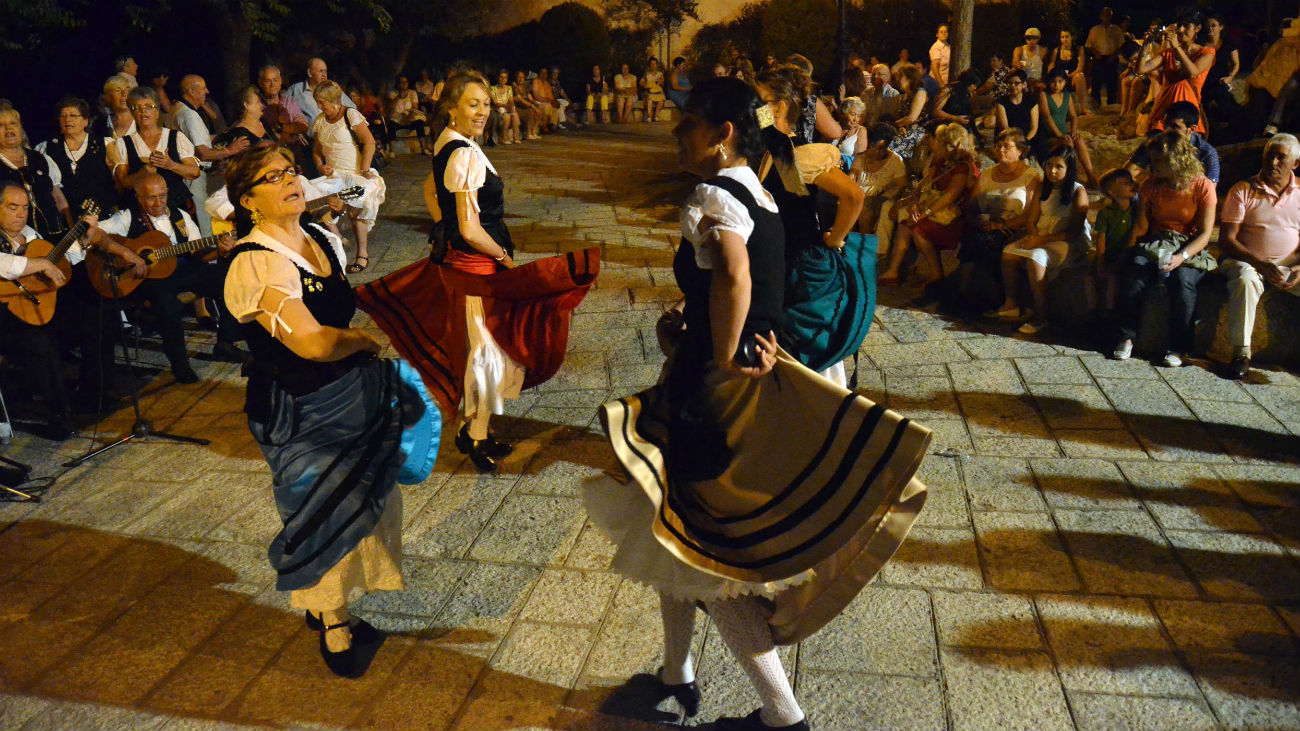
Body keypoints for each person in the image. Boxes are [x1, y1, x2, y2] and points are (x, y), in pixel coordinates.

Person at [581, 75, 929, 731]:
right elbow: (736, 278)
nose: (678, 136)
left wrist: (720, 351)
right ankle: (675, 674)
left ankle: (783, 715)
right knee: (674, 532)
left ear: (723, 133)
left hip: (714, 388)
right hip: (743, 376)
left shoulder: (712, 192)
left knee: (707, 557)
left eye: (688, 126)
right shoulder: (760, 189)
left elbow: (736, 274)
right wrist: (699, 329)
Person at [220, 143, 436, 679]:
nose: (289, 179)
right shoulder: (255, 262)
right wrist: (362, 341)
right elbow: (314, 344)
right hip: (301, 409)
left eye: (290, 169)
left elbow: (341, 302)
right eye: (272, 177)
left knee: (365, 503)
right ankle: (334, 629)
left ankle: (329, 605)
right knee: (324, 516)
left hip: (351, 398)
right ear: (249, 201)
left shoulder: (317, 237)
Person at [353, 74, 598, 473]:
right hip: (476, 270)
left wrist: (442, 228)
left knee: (484, 357)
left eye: (485, 103)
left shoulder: (448, 143)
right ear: (452, 107)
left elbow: (430, 192)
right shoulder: (463, 153)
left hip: (462, 266)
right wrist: (503, 257)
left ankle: (476, 430)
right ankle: (472, 434)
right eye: (473, 104)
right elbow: (469, 228)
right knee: (489, 357)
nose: (483, 111)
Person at [755, 68, 870, 387]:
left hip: (802, 264)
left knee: (807, 346)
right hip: (784, 261)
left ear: (778, 107)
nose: (755, 107)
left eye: (760, 100)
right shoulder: (776, 147)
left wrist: (834, 239)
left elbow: (853, 196)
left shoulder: (801, 156)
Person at [91, 172, 244, 380]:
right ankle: (180, 365)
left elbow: (197, 254)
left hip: (184, 269)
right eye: (151, 198)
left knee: (229, 277)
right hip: (152, 279)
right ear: (138, 197)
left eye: (162, 196)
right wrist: (126, 254)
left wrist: (220, 251)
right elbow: (94, 234)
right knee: (168, 305)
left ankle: (225, 342)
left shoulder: (180, 215)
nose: (158, 203)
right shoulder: (126, 218)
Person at [1111, 132, 1218, 367]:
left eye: (1158, 161)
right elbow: (1141, 226)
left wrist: (1182, 256)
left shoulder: (1203, 186)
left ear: (1176, 160)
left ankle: (1179, 348)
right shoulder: (1151, 186)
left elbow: (1205, 233)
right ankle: (1126, 336)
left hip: (1189, 245)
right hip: (1157, 242)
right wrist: (1126, 253)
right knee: (1135, 271)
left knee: (1183, 282)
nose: (1152, 166)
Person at [0, 183, 84, 439]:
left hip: (32, 309)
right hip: (4, 317)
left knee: (91, 313)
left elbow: (60, 260)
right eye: (12, 207)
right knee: (39, 343)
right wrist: (40, 264)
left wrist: (81, 242)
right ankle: (57, 413)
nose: (20, 214)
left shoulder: (31, 235)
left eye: (25, 207)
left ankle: (92, 392)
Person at [1216, 133, 1300, 379]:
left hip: (1288, 264)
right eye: (1268, 156)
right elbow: (1227, 240)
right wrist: (1259, 263)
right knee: (1245, 279)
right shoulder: (1243, 190)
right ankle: (1241, 353)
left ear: (1295, 163)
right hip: (1247, 260)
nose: (1273, 162)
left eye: (1280, 157)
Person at [989, 143, 1091, 334]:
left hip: (1067, 240)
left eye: (1059, 167)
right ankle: (1011, 304)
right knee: (1009, 253)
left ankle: (1041, 315)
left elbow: (1074, 232)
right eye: (1049, 165)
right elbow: (1031, 220)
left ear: (1069, 169)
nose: (1052, 171)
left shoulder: (1078, 192)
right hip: (1043, 236)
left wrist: (1040, 242)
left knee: (1036, 258)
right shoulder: (1043, 189)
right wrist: (1034, 235)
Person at [881, 123, 977, 288]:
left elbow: (949, 197)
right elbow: (923, 187)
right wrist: (912, 204)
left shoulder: (962, 167)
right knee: (906, 226)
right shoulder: (942, 162)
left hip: (956, 217)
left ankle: (936, 273)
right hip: (936, 211)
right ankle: (893, 271)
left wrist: (922, 214)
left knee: (917, 228)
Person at [958, 128, 1041, 308]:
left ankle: (996, 298)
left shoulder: (1030, 177)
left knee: (988, 244)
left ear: (1019, 151)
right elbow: (972, 204)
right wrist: (981, 222)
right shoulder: (988, 173)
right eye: (998, 146)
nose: (1001, 150)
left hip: (1013, 226)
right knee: (970, 240)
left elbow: (1029, 213)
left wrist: (1001, 225)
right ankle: (965, 294)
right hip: (986, 224)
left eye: (1006, 146)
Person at [312, 81, 385, 274]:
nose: (319, 107)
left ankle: (362, 254)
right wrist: (321, 166)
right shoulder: (320, 120)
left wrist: (365, 168)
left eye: (322, 102)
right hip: (334, 176)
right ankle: (339, 242)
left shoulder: (350, 115)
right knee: (318, 206)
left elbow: (369, 141)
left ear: (334, 100)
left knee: (356, 209)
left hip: (354, 174)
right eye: (317, 102)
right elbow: (317, 151)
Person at [173, 75, 250, 235]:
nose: (207, 91)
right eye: (203, 88)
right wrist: (230, 150)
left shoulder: (179, 110)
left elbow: (194, 143)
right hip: (196, 177)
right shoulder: (189, 115)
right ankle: (210, 257)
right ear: (192, 91)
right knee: (205, 224)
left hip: (194, 177)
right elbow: (202, 152)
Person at [110, 86, 200, 215]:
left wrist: (170, 165)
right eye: (137, 108)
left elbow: (194, 172)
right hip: (142, 213)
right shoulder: (123, 143)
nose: (143, 111)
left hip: (178, 207)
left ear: (157, 112)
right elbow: (123, 183)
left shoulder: (176, 137)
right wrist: (142, 173)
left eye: (148, 107)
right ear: (133, 113)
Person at [35, 98, 118, 218]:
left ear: (85, 121)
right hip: (63, 218)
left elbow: (117, 181)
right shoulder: (45, 148)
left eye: (73, 115)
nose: (67, 120)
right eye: (63, 116)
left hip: (102, 215)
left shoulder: (106, 144)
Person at [0, 106, 75, 238]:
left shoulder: (39, 158)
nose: (9, 129)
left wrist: (71, 229)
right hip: (20, 239)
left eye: (13, 124)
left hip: (55, 232)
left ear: (20, 129)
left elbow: (57, 196)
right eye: (1, 125)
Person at [1139, 10, 1215, 136]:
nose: (1180, 30)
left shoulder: (1207, 53)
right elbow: (1140, 69)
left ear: (1198, 28)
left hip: (1186, 115)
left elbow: (1193, 72)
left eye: (1186, 26)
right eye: (1179, 26)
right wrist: (1145, 45)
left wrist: (1177, 48)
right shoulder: (1169, 53)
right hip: (1163, 113)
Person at [1086, 168, 1139, 326]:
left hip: (1126, 253)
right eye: (1125, 183)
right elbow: (1101, 238)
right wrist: (1101, 261)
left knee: (1113, 277)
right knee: (1089, 276)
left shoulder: (1136, 210)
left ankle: (1109, 313)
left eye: (1130, 181)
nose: (1131, 184)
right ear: (1112, 192)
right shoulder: (1106, 212)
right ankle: (1092, 311)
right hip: (1109, 252)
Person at [1126, 101, 1220, 184]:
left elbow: (1209, 189)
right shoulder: (1155, 142)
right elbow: (1128, 173)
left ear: (1192, 129)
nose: (1167, 130)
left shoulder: (1207, 153)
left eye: (1175, 126)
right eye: (1165, 124)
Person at [850, 122, 907, 252]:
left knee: (865, 212)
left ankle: (864, 250)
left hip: (877, 198)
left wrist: (884, 196)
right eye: (873, 146)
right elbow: (852, 177)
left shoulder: (895, 161)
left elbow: (902, 186)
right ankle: (847, 249)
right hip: (858, 195)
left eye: (881, 148)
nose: (876, 151)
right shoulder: (862, 157)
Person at [1038, 68, 1099, 186]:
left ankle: (1090, 176)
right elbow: (1047, 117)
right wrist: (1059, 135)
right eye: (1053, 82)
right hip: (1049, 135)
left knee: (1079, 140)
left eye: (1060, 81)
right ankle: (1072, 178)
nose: (1056, 85)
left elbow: (1073, 116)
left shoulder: (1067, 96)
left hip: (1064, 134)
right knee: (1068, 145)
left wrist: (1073, 131)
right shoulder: (1044, 95)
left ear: (1065, 82)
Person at [257, 65, 311, 166]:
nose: (272, 84)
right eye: (268, 81)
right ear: (261, 83)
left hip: (293, 151)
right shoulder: (257, 105)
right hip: (269, 155)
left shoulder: (290, 101)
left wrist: (282, 128)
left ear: (281, 81)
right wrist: (292, 130)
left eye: (275, 80)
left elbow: (303, 126)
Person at [785, 55, 842, 144]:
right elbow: (835, 132)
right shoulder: (809, 102)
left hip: (769, 154)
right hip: (800, 154)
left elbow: (763, 126)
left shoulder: (769, 96)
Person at [287, 58, 355, 130]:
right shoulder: (296, 90)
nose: (324, 75)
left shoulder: (332, 89)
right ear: (310, 73)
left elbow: (352, 110)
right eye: (321, 71)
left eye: (325, 72)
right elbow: (284, 112)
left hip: (335, 137)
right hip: (310, 139)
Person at [1203, 15, 1241, 131]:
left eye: (1214, 25)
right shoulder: (1201, 46)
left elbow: (1236, 64)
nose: (1210, 28)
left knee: (1225, 103)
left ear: (1221, 27)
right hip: (1205, 82)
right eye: (1208, 26)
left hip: (1221, 82)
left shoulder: (1228, 45)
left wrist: (1230, 77)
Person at [887, 64, 931, 162]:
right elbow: (898, 116)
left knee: (893, 148)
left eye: (901, 77)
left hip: (917, 129)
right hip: (903, 128)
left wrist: (895, 125)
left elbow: (912, 118)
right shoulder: (903, 96)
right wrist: (900, 127)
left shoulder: (920, 92)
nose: (898, 80)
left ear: (910, 78)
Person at [214, 87, 277, 152]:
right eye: (258, 102)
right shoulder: (239, 133)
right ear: (246, 105)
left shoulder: (263, 122)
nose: (261, 105)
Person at [1086, 7, 1125, 107]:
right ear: (1101, 16)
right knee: (1096, 82)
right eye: (1105, 15)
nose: (1106, 17)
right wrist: (1096, 53)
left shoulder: (1116, 29)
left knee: (1112, 82)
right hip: (1099, 58)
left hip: (1111, 58)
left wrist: (1114, 55)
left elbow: (1121, 44)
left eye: (1108, 15)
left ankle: (1111, 103)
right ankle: (1096, 103)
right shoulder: (1094, 30)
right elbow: (1089, 45)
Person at [996, 70, 1041, 158]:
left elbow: (1034, 127)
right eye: (1010, 83)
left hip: (1026, 137)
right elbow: (1005, 128)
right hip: (1008, 137)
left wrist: (1026, 140)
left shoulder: (1031, 101)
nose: (1013, 86)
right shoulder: (1001, 102)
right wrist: (1016, 142)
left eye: (1016, 83)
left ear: (1023, 85)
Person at [1049, 30, 1092, 114]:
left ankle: (1084, 108)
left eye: (1067, 37)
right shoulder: (1056, 51)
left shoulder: (1079, 49)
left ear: (1072, 37)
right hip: (1060, 77)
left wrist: (1070, 75)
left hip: (1072, 77)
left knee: (1080, 76)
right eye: (1062, 37)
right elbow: (1051, 64)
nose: (1065, 39)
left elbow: (1080, 67)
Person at [386, 76, 430, 155]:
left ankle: (423, 149)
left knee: (419, 123)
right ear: (398, 84)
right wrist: (398, 97)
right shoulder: (393, 94)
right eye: (401, 82)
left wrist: (408, 117)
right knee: (391, 125)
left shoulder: (412, 93)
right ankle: (391, 151)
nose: (403, 84)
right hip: (397, 120)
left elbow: (415, 107)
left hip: (409, 118)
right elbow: (390, 108)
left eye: (405, 82)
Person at [489, 70, 521, 145]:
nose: (503, 79)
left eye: (505, 78)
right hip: (498, 109)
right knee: (506, 117)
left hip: (506, 107)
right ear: (498, 78)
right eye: (501, 77)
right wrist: (506, 106)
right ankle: (504, 138)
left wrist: (511, 107)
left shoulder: (509, 88)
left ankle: (516, 138)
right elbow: (496, 102)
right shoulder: (492, 88)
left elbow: (511, 100)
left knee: (515, 115)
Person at [101, 75, 137, 140]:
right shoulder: (101, 125)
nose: (124, 94)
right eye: (118, 90)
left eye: (127, 90)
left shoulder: (140, 120)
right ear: (109, 97)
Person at [835, 96, 867, 161]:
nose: (855, 119)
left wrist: (842, 161)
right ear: (843, 113)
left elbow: (858, 160)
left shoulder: (861, 131)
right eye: (852, 114)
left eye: (858, 116)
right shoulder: (834, 126)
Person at [514, 70, 543, 138]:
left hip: (527, 106)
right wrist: (533, 106)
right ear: (516, 77)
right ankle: (528, 132)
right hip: (518, 107)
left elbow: (530, 98)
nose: (520, 79)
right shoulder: (514, 86)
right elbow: (520, 100)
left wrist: (536, 104)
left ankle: (534, 131)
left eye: (522, 77)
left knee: (540, 109)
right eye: (519, 77)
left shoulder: (525, 86)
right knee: (531, 111)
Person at [642, 57, 667, 122]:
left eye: (654, 64)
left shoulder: (660, 74)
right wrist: (646, 86)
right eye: (651, 64)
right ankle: (649, 117)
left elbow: (662, 85)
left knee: (661, 100)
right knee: (649, 100)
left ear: (657, 65)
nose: (653, 66)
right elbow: (641, 82)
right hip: (649, 91)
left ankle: (656, 116)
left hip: (658, 91)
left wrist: (661, 82)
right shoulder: (647, 73)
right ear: (649, 65)